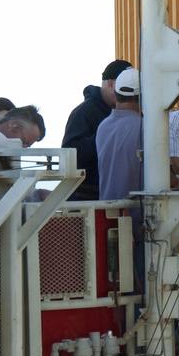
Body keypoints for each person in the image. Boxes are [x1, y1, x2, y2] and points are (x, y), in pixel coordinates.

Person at [95, 68, 144, 286]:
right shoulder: (144, 127)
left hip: (106, 220)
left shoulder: (103, 127)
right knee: (143, 292)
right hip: (138, 224)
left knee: (117, 291)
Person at [63, 59, 132, 201]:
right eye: (126, 87)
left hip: (119, 197)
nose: (129, 94)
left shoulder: (131, 112)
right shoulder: (83, 112)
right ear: (111, 84)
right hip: (86, 200)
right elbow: (70, 156)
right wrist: (105, 137)